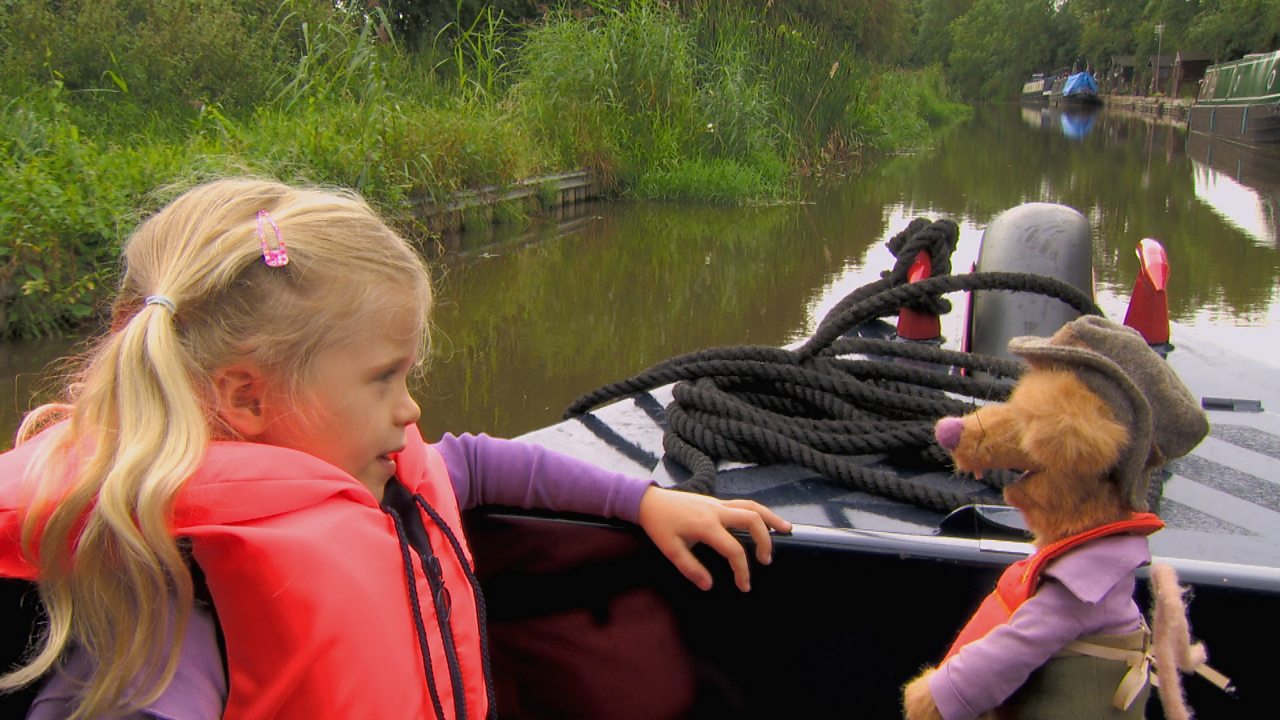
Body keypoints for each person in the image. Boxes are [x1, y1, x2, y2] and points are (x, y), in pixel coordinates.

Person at [0, 177, 792, 720]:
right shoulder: (182, 611)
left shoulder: (360, 475)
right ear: (248, 398)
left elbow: (477, 463)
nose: (409, 410)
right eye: (384, 378)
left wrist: (644, 499)